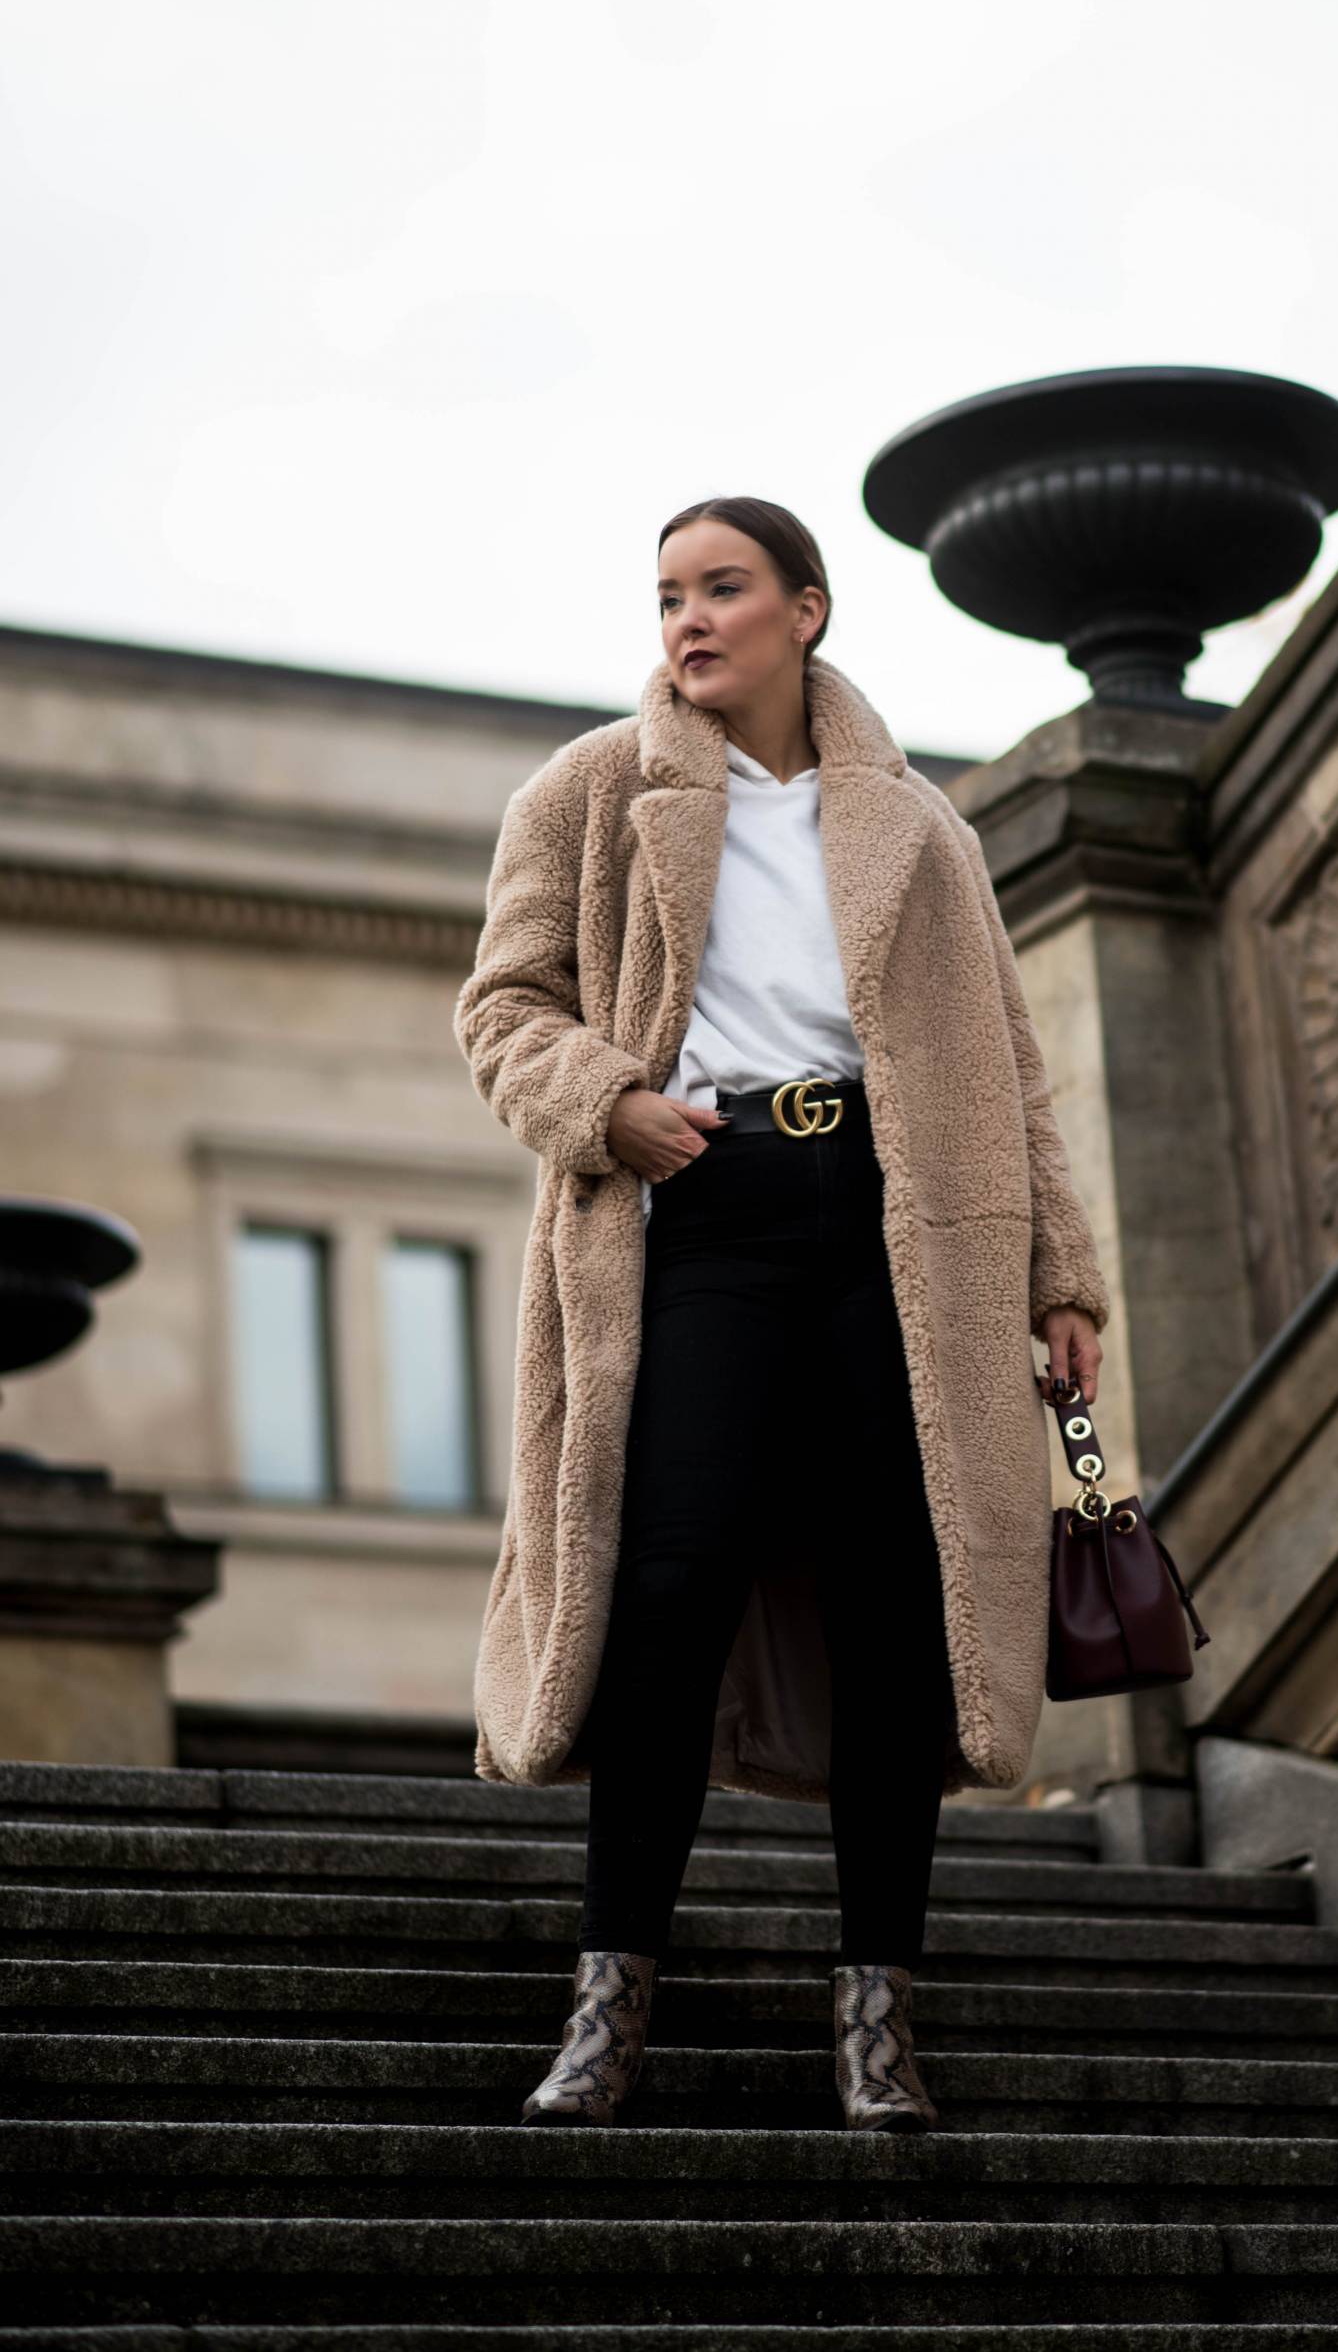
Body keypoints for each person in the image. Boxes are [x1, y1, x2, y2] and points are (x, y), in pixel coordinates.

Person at [453, 494, 1110, 2135]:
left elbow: (1010, 1077)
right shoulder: (592, 792)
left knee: (900, 1603)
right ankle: (608, 2015)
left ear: (805, 609)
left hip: (898, 1225)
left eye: (723, 587)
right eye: (668, 591)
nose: (688, 617)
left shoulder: (923, 831)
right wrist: (608, 1099)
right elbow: (503, 1007)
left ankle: (879, 2029)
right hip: (705, 1212)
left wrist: (1061, 1277)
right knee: (665, 1590)